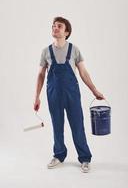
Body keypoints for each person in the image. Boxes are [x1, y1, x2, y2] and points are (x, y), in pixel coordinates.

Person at [33, 16, 105, 173]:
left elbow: (84, 73)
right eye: (53, 26)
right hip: (53, 94)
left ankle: (85, 158)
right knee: (57, 126)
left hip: (72, 94)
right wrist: (36, 97)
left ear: (66, 32)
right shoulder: (46, 51)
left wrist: (94, 90)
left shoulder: (74, 50)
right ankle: (59, 155)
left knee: (77, 126)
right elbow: (40, 75)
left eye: (59, 26)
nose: (55, 28)